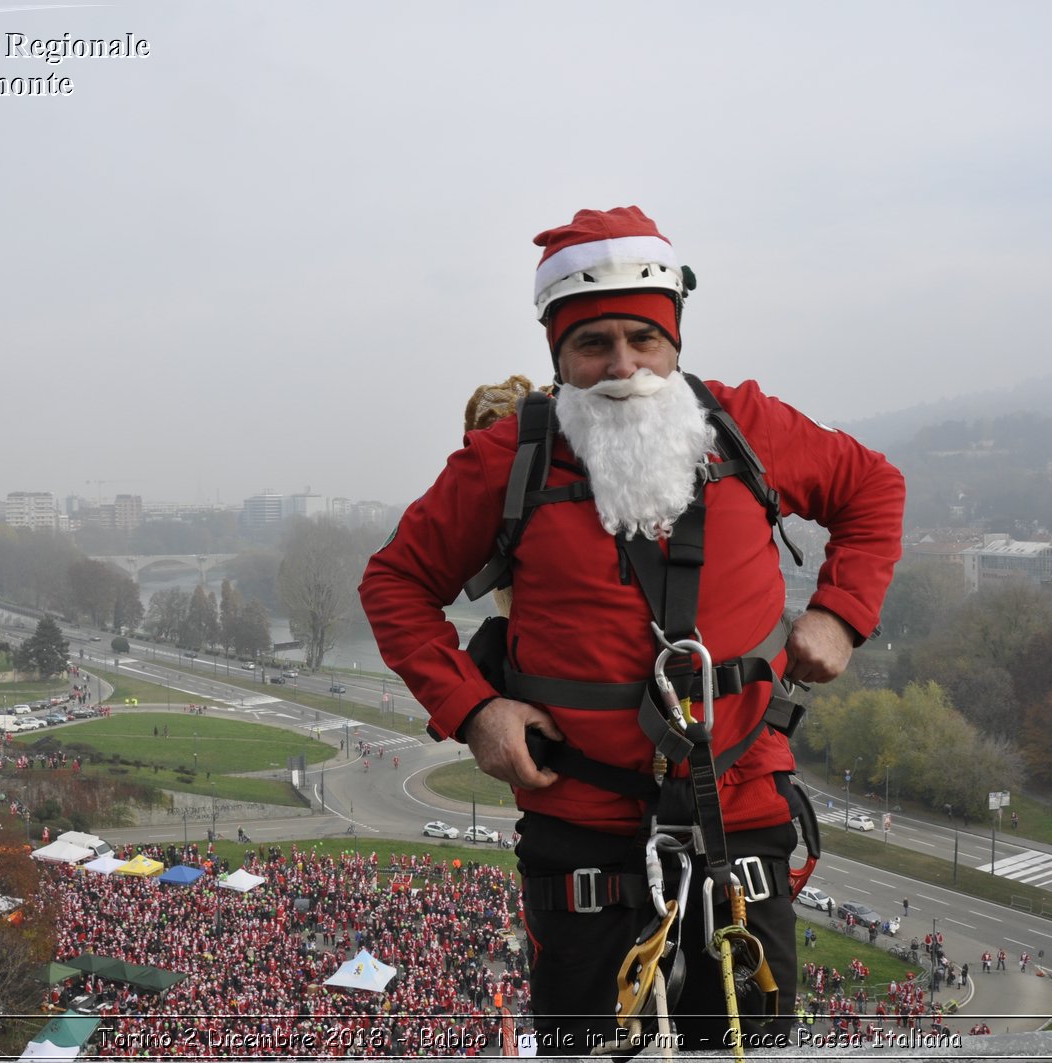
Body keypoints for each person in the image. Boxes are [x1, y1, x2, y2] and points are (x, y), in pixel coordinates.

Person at [360, 206, 905, 1052]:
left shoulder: (746, 427)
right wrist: (474, 711)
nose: (623, 367)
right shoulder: (510, 460)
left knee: (747, 1047)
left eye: (643, 340)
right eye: (594, 344)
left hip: (740, 809)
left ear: (675, 340)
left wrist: (841, 611)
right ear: (559, 355)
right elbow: (394, 581)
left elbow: (871, 489)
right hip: (578, 822)